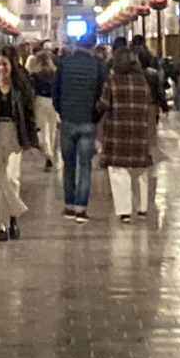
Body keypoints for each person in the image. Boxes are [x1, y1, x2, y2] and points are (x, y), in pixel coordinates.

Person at [0, 49, 36, 242]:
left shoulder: (20, 88)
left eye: (4, 64)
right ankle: (1, 224)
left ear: (11, 65)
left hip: (13, 133)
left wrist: (30, 139)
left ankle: (13, 218)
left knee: (11, 178)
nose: (1, 68)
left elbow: (29, 113)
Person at [98, 43, 158, 220]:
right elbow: (148, 102)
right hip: (139, 130)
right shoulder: (142, 81)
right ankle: (142, 208)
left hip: (118, 130)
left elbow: (104, 104)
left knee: (118, 170)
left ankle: (124, 211)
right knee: (140, 170)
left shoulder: (112, 80)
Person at [53, 34, 107, 221]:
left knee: (68, 165)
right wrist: (95, 117)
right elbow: (102, 95)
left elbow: (56, 93)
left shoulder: (64, 63)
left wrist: (62, 112)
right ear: (93, 46)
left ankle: (68, 205)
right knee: (85, 166)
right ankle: (81, 209)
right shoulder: (99, 66)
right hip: (87, 121)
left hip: (68, 120)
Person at [25, 42, 58, 170]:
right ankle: (51, 152)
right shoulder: (55, 73)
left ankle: (47, 153)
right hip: (53, 102)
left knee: (42, 129)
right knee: (52, 129)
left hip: (40, 101)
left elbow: (31, 90)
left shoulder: (35, 75)